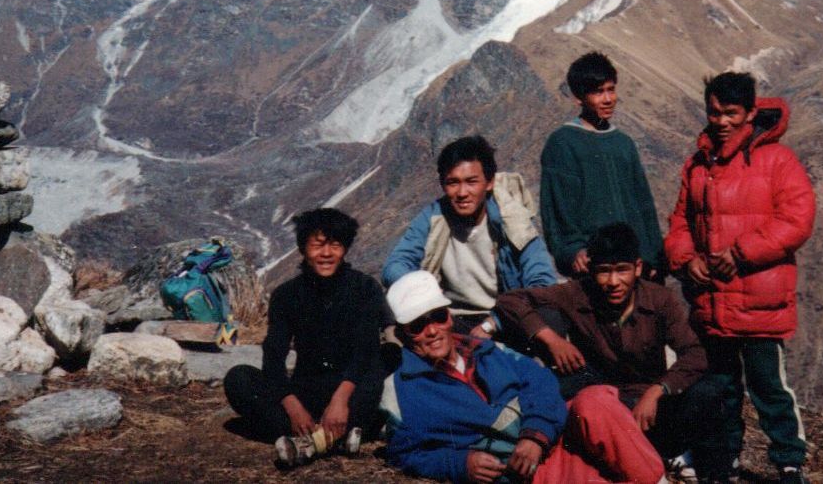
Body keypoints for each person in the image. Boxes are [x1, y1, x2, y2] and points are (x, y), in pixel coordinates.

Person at [664, 72, 817, 484]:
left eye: (731, 113)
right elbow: (680, 222)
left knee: (769, 388)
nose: (721, 121)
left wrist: (743, 253)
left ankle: (789, 462)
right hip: (713, 300)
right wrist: (684, 258)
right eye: (714, 112)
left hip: (758, 303)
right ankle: (723, 456)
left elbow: (798, 219)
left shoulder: (777, 161)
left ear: (751, 112)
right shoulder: (697, 165)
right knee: (722, 388)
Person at [381, 270, 666, 484]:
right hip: (529, 468)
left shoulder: (487, 349)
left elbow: (540, 381)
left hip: (554, 430)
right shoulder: (401, 390)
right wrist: (458, 463)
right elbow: (404, 453)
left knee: (595, 401)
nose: (432, 331)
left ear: (449, 317)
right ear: (404, 333)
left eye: (438, 317)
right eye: (418, 325)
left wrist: (535, 435)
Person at [494, 223, 727, 469]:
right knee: (564, 385)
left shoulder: (660, 299)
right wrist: (550, 338)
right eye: (603, 271)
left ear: (637, 268)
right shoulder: (577, 292)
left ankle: (701, 466)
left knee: (708, 391)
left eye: (622, 270)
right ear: (592, 270)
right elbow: (510, 300)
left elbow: (694, 353)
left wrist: (659, 390)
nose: (613, 281)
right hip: (603, 401)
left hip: (650, 403)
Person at [223, 207, 387, 468]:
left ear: (345, 248)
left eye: (335, 245)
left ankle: (308, 442)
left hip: (350, 388)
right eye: (317, 245)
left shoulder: (364, 288)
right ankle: (343, 436)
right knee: (239, 378)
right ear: (303, 249)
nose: (326, 254)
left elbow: (365, 351)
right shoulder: (286, 296)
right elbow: (274, 358)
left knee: (384, 360)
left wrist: (340, 400)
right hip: (307, 389)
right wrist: (292, 406)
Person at [383, 135, 556, 335]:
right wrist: (425, 292)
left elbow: (541, 281)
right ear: (442, 184)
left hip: (505, 315)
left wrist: (493, 323)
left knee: (551, 316)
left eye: (471, 182)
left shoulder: (512, 217)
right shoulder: (433, 218)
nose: (462, 192)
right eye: (453, 183)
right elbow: (394, 266)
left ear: (489, 182)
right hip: (450, 318)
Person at [539, 52, 665, 278]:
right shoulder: (563, 143)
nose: (608, 99)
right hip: (593, 266)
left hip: (635, 267)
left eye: (611, 89)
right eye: (598, 92)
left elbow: (644, 206)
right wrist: (573, 251)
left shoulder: (623, 143)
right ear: (578, 97)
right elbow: (557, 210)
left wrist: (653, 256)